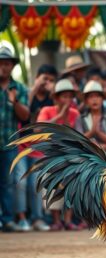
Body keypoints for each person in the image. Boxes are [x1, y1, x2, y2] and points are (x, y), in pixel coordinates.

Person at [14, 64, 58, 232]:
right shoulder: (25, 92)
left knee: (36, 184)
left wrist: (54, 92)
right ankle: (22, 219)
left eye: (51, 80)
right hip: (21, 145)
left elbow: (57, 113)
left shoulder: (51, 99)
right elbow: (24, 110)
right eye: (44, 78)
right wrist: (34, 88)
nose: (46, 83)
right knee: (20, 182)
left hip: (39, 147)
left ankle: (37, 219)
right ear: (37, 77)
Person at [37, 79, 80, 231]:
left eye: (70, 97)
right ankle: (56, 221)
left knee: (70, 185)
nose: (67, 100)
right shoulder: (47, 110)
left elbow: (75, 135)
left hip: (69, 154)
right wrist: (60, 115)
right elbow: (38, 130)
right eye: (64, 96)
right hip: (51, 154)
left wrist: (66, 116)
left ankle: (68, 220)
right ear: (56, 98)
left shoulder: (75, 113)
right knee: (52, 185)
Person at [0, 46, 30, 232]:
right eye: (1, 63)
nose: (4, 67)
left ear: (12, 66)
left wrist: (14, 101)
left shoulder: (18, 88)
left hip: (9, 143)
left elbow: (25, 115)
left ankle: (8, 219)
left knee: (8, 183)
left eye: (7, 63)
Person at [75, 80, 106, 168]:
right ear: (86, 101)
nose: (94, 99)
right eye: (91, 97)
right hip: (86, 161)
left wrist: (99, 133)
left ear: (102, 99)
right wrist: (92, 132)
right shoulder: (80, 119)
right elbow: (77, 142)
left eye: (97, 96)